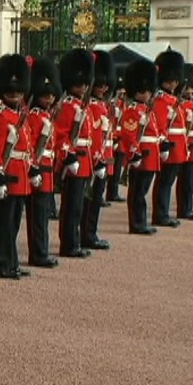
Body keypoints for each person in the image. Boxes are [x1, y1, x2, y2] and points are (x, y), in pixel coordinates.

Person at [0, 54, 33, 279]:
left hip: (20, 175)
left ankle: (12, 261)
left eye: (18, 89)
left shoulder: (20, 116)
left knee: (13, 223)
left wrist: (32, 169)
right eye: (10, 90)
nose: (14, 93)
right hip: (7, 174)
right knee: (3, 223)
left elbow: (28, 147)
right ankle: (2, 263)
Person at [55, 49, 96, 257]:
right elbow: (61, 135)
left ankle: (76, 240)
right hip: (74, 161)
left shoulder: (82, 106)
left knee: (80, 205)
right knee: (71, 207)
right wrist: (68, 157)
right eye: (78, 82)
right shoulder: (68, 106)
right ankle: (68, 244)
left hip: (85, 160)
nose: (82, 86)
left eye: (84, 82)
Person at [25, 57, 61, 268]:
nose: (49, 98)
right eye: (44, 95)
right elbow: (30, 146)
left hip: (47, 169)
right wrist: (33, 168)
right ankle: (37, 253)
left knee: (44, 213)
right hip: (37, 169)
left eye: (51, 95)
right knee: (37, 214)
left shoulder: (46, 116)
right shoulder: (34, 117)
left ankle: (42, 250)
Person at [121, 59, 161, 235]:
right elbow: (129, 136)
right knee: (138, 192)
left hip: (150, 155)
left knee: (142, 191)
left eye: (149, 90)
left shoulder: (146, 110)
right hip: (142, 156)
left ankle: (141, 221)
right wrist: (134, 154)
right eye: (144, 91)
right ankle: (136, 223)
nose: (148, 94)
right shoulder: (132, 111)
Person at [80, 50, 113, 250]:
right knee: (88, 200)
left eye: (104, 84)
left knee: (96, 199)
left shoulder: (101, 105)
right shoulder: (89, 106)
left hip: (104, 157)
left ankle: (90, 232)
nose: (102, 87)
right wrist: (96, 159)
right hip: (93, 158)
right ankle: (85, 234)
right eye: (99, 84)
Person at [151, 49, 185, 228]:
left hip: (177, 147)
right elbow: (161, 125)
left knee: (168, 181)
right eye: (171, 80)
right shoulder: (161, 100)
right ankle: (160, 213)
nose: (174, 83)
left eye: (175, 80)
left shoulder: (172, 99)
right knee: (164, 182)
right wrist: (163, 145)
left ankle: (163, 212)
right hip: (169, 146)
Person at [176, 63, 193, 220]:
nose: (190, 90)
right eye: (187, 87)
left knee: (190, 179)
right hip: (183, 145)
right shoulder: (179, 104)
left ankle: (188, 207)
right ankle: (183, 209)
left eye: (192, 87)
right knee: (183, 179)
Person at [106, 70, 127, 203]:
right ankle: (109, 192)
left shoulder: (125, 105)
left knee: (117, 167)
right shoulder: (112, 105)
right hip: (114, 139)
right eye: (121, 93)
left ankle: (113, 191)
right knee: (110, 167)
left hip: (121, 139)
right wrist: (115, 137)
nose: (122, 95)